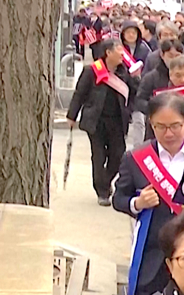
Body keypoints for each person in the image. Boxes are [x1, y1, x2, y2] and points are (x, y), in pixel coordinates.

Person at [112, 93, 184, 295]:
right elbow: (119, 198)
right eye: (160, 126)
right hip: (151, 256)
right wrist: (138, 203)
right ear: (151, 123)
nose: (168, 133)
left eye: (175, 126)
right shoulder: (136, 158)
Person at [67, 39, 136, 205]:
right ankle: (102, 192)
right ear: (108, 53)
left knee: (118, 156)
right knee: (98, 156)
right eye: (118, 50)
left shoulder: (124, 73)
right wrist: (72, 116)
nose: (122, 54)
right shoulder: (91, 71)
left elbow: (133, 94)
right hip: (96, 121)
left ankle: (105, 182)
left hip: (117, 121)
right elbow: (79, 94)